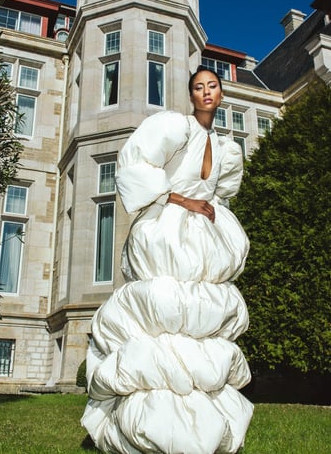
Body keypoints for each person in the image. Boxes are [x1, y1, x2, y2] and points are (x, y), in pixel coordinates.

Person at [81, 66, 253, 454]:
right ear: (190, 94)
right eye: (198, 87)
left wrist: (207, 211)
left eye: (212, 86)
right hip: (168, 230)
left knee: (198, 318)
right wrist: (181, 200)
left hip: (203, 237)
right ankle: (151, 424)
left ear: (221, 93)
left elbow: (221, 192)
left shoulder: (226, 148)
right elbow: (136, 163)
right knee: (165, 309)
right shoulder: (177, 127)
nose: (206, 92)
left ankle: (200, 426)